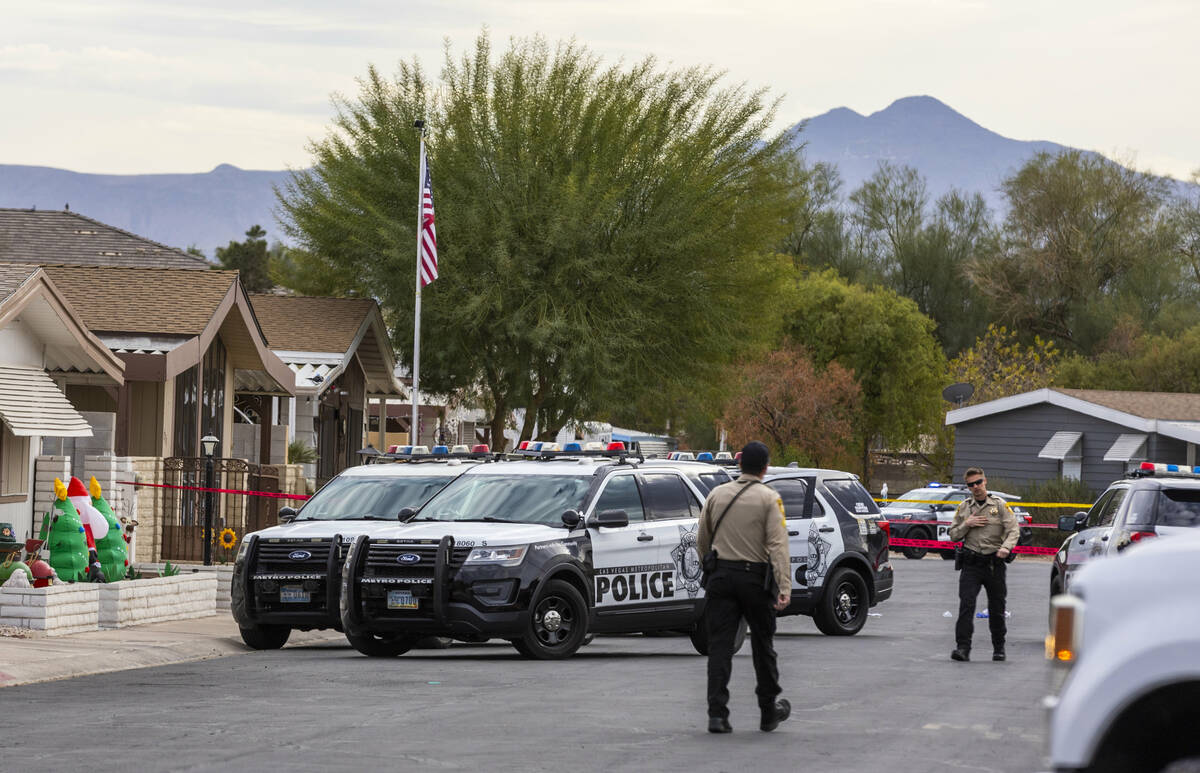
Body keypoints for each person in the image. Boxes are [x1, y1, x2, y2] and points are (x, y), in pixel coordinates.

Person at [697, 441, 792, 733]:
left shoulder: (717, 494)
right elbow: (777, 545)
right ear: (765, 468)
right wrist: (784, 585)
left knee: (720, 647)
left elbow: (702, 538)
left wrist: (709, 567)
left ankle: (717, 714)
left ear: (740, 465)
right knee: (763, 645)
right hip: (755, 579)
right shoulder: (769, 498)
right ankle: (767, 712)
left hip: (722, 578)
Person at [947, 466, 1019, 662]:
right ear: (968, 487)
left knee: (997, 607)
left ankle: (999, 648)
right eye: (971, 484)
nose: (976, 487)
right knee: (966, 605)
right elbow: (953, 535)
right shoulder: (964, 508)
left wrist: (1006, 547)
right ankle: (963, 648)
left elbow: (1013, 529)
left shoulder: (999, 505)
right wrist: (966, 524)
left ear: (985, 481)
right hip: (971, 563)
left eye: (978, 482)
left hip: (994, 563)